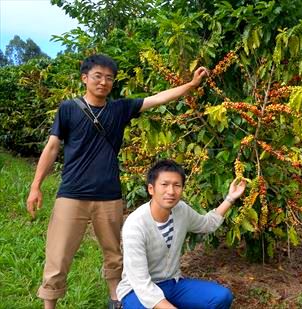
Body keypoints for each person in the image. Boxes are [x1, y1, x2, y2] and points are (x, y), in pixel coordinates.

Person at [25, 54, 209, 309]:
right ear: (85, 78)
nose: (103, 82)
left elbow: (157, 98)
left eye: (109, 78)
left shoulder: (119, 109)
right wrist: (36, 186)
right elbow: (52, 146)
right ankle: (49, 305)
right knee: (57, 256)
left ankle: (116, 299)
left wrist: (190, 86)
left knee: (114, 255)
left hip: (109, 195)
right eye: (97, 76)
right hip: (72, 194)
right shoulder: (68, 109)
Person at [116, 159, 245, 308]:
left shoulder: (181, 210)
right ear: (151, 189)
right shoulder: (135, 225)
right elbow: (140, 283)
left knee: (221, 297)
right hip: (136, 291)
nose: (171, 191)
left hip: (172, 283)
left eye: (177, 185)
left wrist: (230, 198)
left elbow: (206, 224)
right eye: (164, 185)